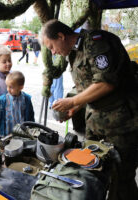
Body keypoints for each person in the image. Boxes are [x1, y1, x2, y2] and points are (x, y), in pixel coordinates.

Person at [41, 19, 138, 200]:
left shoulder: (97, 43)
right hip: (96, 123)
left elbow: (106, 83)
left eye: (52, 46)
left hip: (121, 124)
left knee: (121, 179)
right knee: (96, 172)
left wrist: (72, 101)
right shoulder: (74, 51)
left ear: (61, 36)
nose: (53, 52)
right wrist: (76, 106)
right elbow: (89, 87)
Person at [0, 71, 35, 138]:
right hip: (7, 134)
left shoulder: (26, 99)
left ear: (21, 87)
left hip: (22, 134)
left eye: (11, 87)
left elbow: (31, 115)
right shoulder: (2, 100)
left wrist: (32, 129)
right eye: (7, 86)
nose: (8, 89)